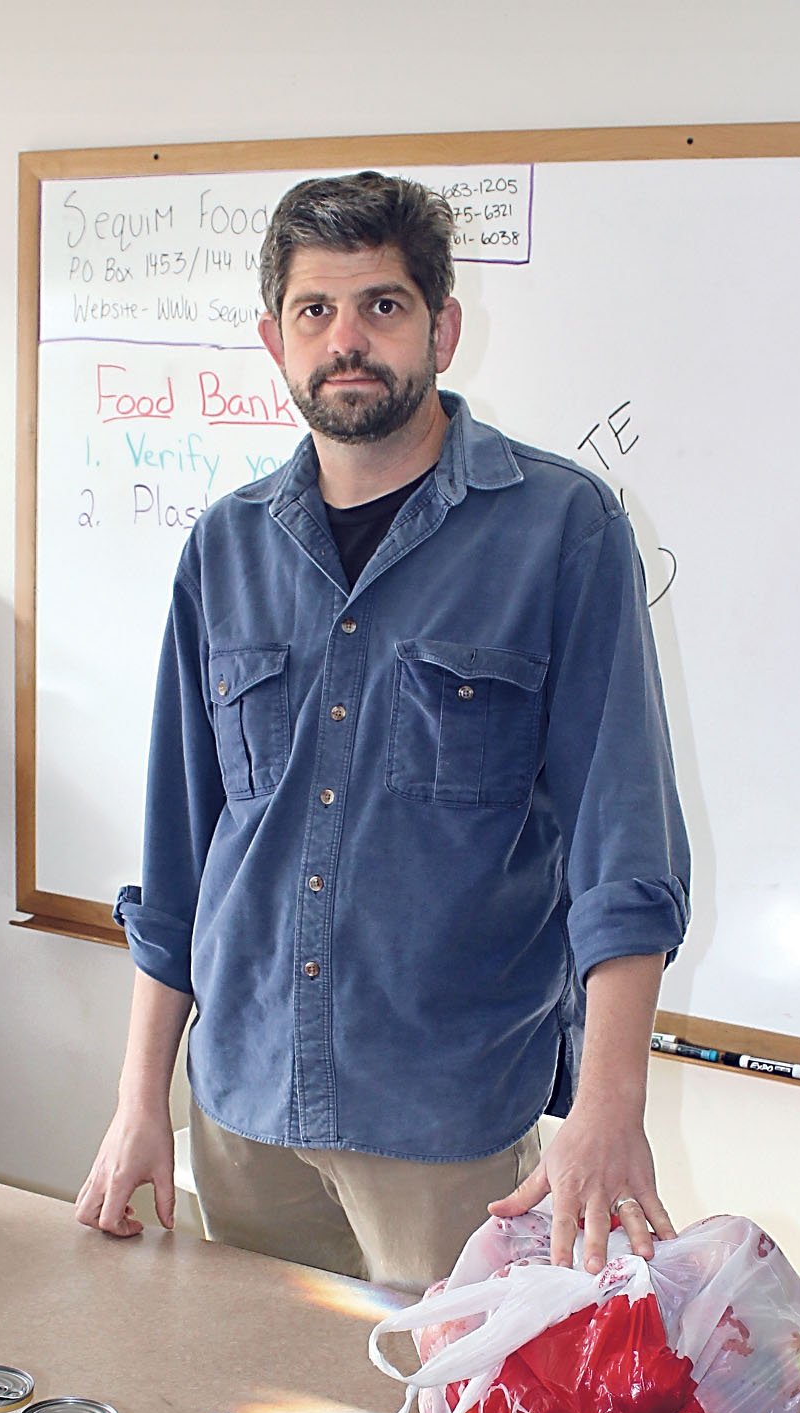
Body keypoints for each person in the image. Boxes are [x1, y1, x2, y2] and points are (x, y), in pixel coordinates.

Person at [76, 170, 690, 1289]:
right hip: (244, 1108)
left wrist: (610, 1107)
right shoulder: (223, 549)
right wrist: (139, 1107)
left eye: (383, 307)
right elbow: (180, 857)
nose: (347, 340)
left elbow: (624, 845)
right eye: (317, 311)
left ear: (442, 328)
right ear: (276, 338)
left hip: (447, 1121)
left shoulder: (561, 530)